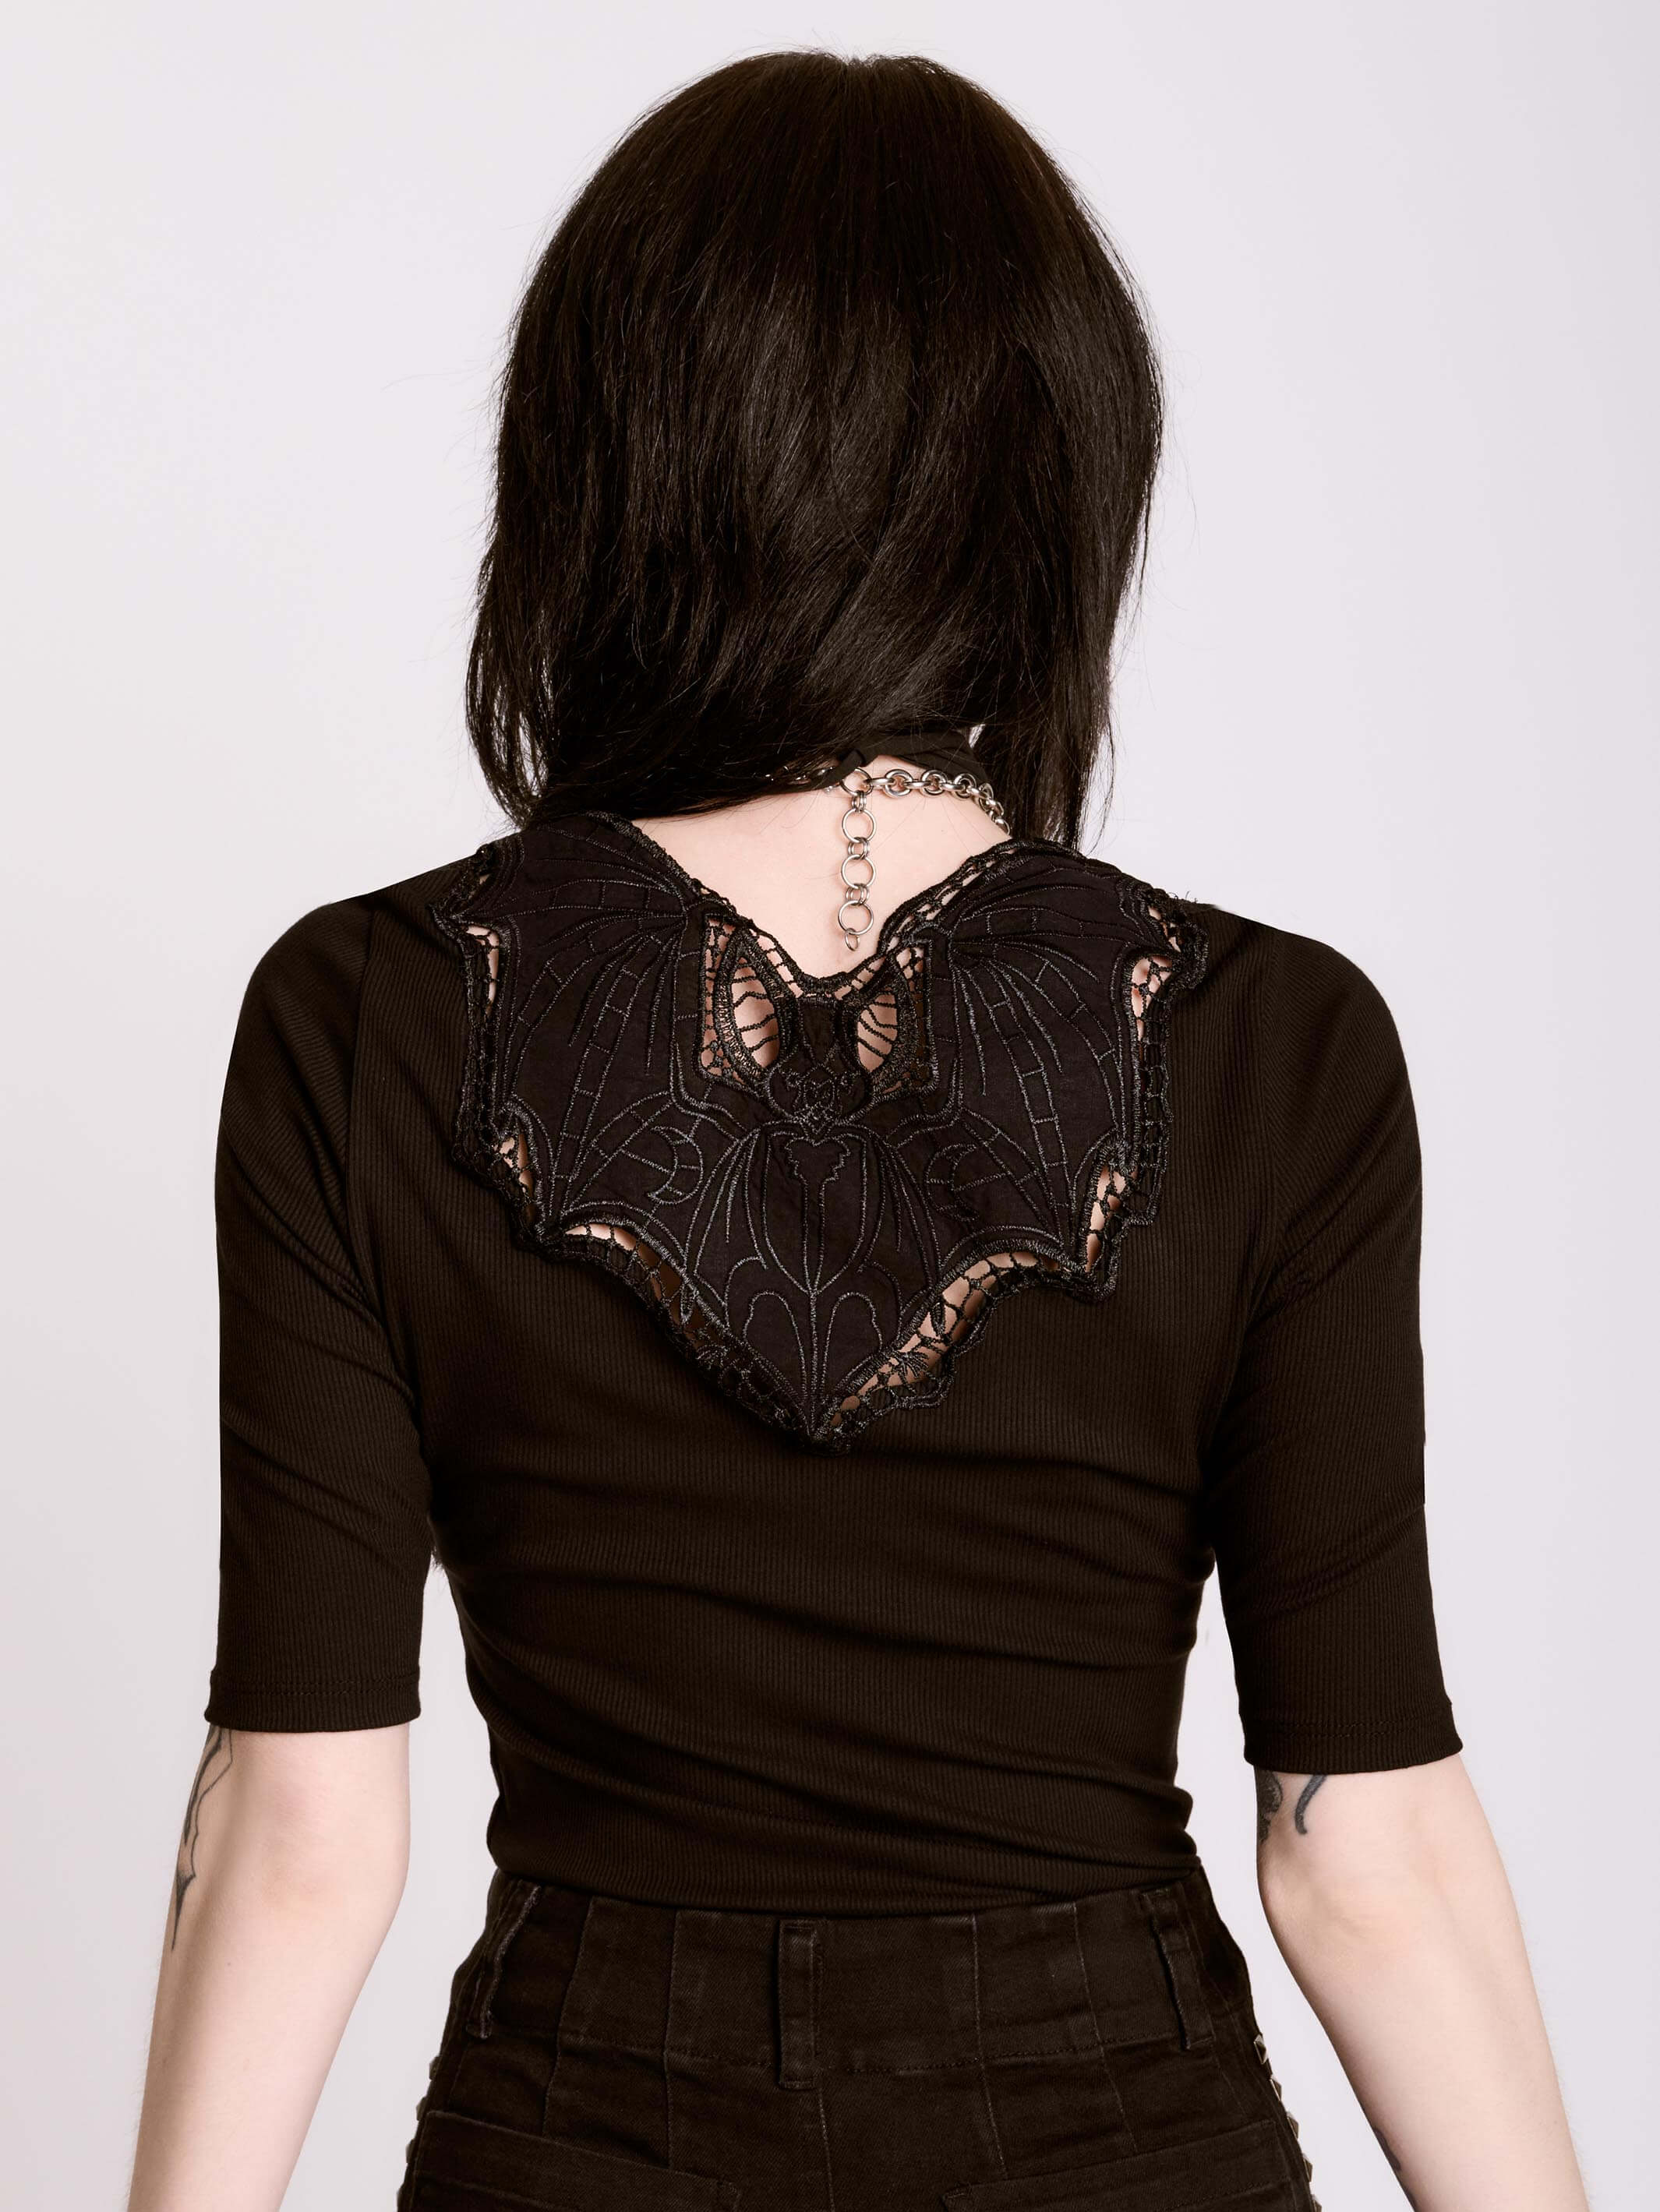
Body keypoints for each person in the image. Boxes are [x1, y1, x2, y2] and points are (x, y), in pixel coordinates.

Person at [126, 51, 1590, 2212]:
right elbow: (1356, 1844)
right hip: (1120, 2134)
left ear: (605, 459)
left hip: (582, 2132)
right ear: (1055, 475)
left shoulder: (365, 1014)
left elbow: (302, 1830)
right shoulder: (1274, 1045)